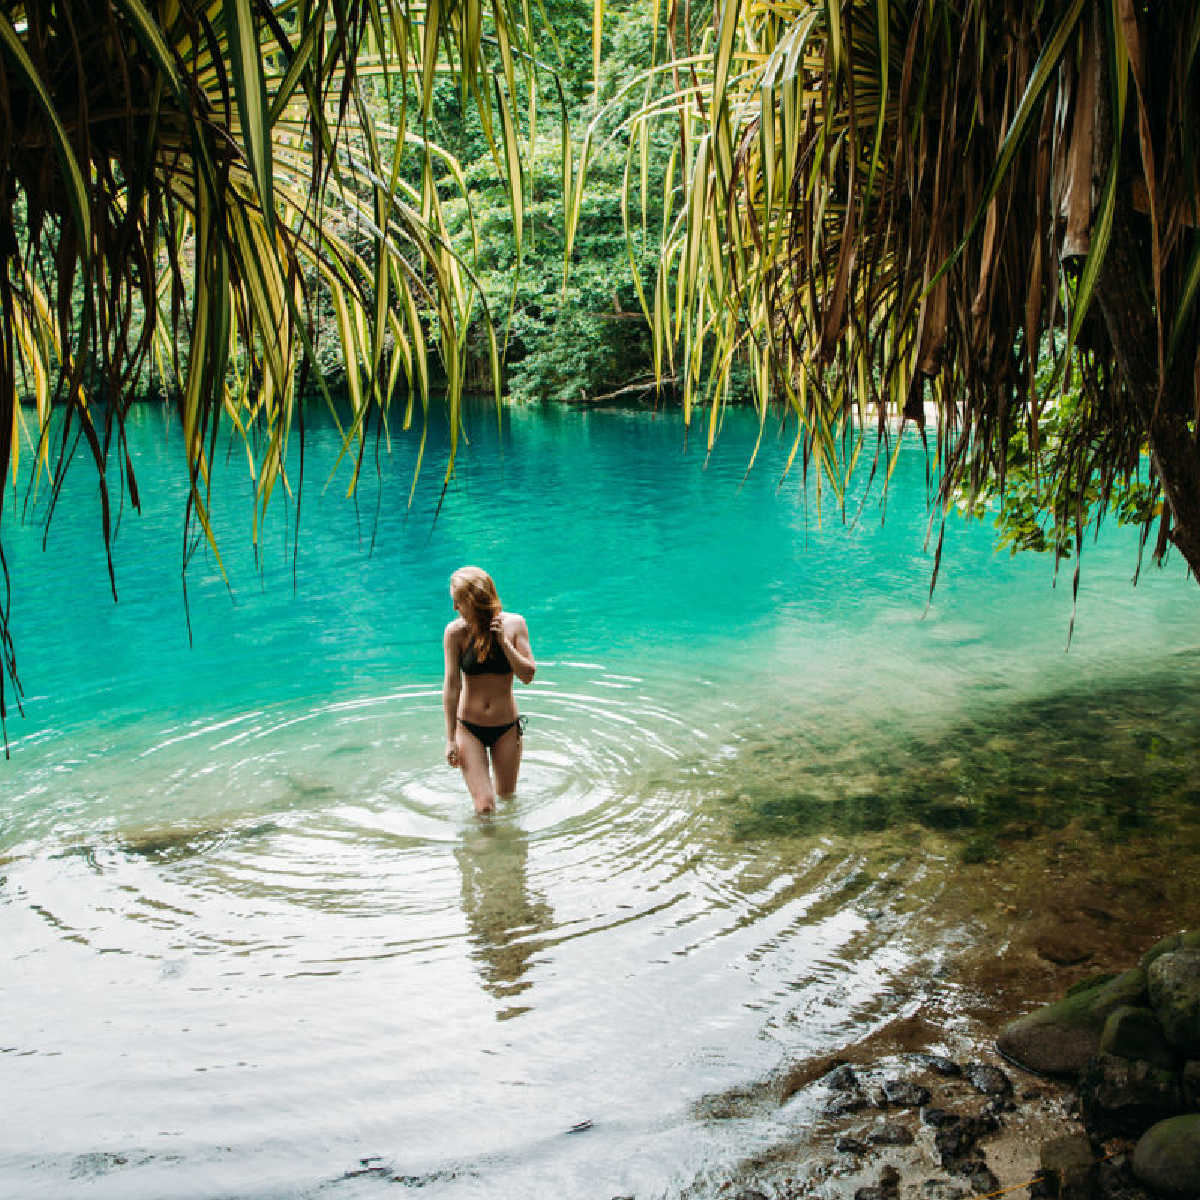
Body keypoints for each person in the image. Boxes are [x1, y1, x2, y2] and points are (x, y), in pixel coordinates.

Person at [443, 567, 536, 814]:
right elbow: (452, 686)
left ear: (474, 600)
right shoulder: (455, 632)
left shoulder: (515, 624)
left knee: (507, 799)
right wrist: (450, 738)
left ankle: (506, 851)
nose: (454, 608)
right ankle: (480, 849)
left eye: (458, 601)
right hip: (469, 728)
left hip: (505, 727)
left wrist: (503, 643)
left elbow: (527, 675)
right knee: (485, 806)